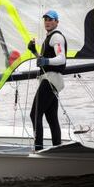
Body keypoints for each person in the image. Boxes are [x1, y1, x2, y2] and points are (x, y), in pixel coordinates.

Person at [28, 10, 67, 151]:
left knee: (35, 114)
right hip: (52, 79)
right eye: (46, 20)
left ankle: (38, 148)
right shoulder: (49, 37)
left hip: (51, 79)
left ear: (57, 22)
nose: (47, 22)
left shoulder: (56, 37)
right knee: (51, 117)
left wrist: (45, 60)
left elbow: (61, 58)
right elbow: (44, 61)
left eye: (51, 20)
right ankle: (57, 146)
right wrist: (34, 52)